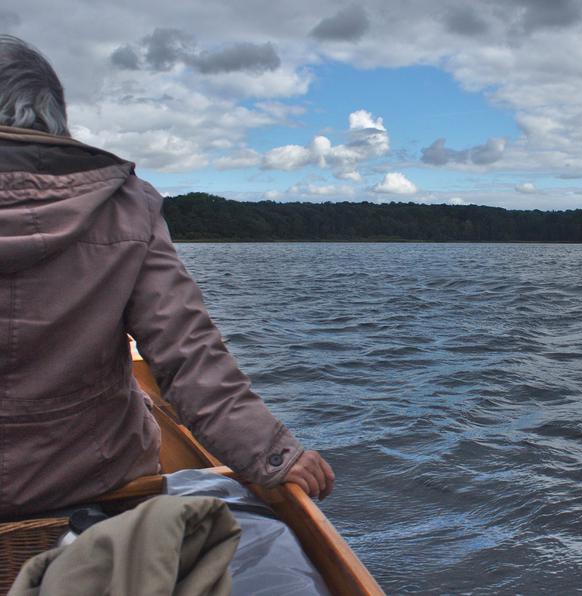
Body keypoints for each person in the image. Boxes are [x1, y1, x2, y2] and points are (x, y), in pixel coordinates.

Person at [0, 35, 333, 518]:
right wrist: (274, 454)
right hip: (91, 481)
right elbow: (189, 354)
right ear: (53, 112)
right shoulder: (124, 204)